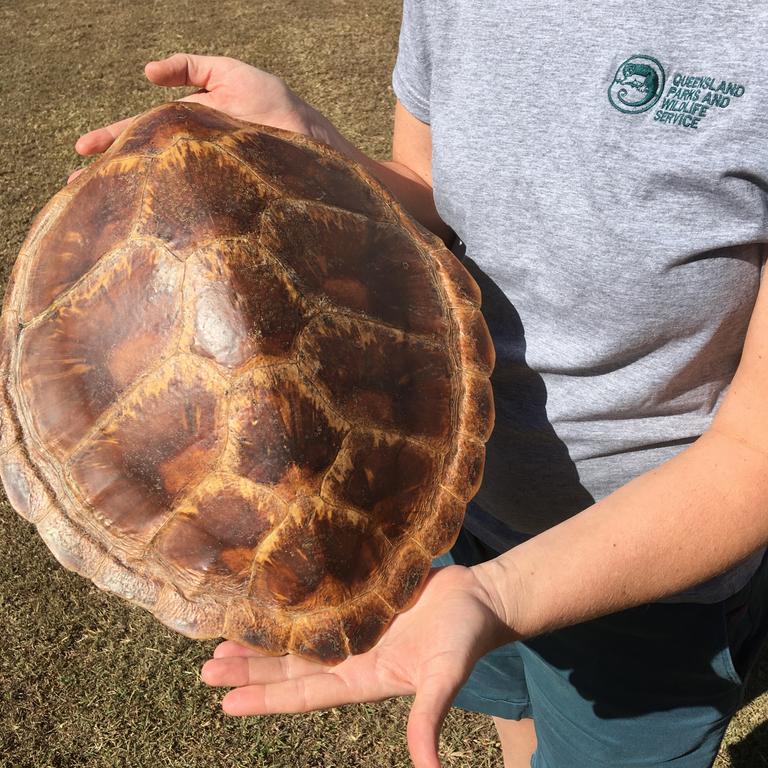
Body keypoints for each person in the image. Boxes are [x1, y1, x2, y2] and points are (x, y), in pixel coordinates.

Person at [74, 3, 768, 765]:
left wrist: (501, 596)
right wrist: (312, 140)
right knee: (513, 709)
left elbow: (752, 457)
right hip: (433, 503)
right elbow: (433, 204)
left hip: (647, 568)